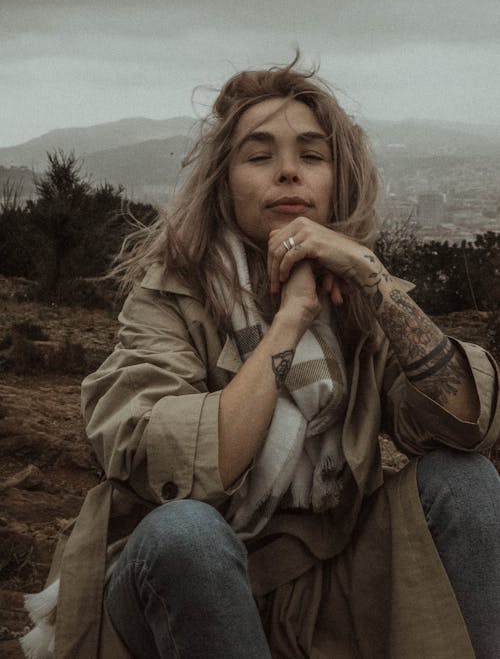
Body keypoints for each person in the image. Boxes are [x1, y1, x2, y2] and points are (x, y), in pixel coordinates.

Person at [21, 57, 500, 659]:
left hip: (331, 576)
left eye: (312, 155)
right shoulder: (168, 299)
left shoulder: (358, 298)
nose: (289, 173)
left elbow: (465, 421)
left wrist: (374, 278)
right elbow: (183, 471)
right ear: (224, 182)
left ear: (336, 180)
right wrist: (290, 320)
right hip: (182, 580)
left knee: (465, 480)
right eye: (259, 156)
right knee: (187, 534)